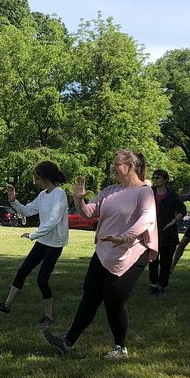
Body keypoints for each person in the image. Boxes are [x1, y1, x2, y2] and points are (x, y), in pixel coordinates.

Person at [44, 149, 158, 361]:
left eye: (117, 164)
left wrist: (124, 237)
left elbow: (147, 219)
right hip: (105, 250)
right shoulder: (110, 191)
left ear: (130, 166)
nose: (113, 167)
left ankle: (120, 348)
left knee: (113, 300)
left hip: (132, 252)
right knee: (90, 295)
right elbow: (88, 213)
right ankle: (67, 342)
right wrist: (79, 198)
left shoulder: (144, 192)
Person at [0, 160, 70, 326]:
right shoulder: (43, 194)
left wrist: (33, 234)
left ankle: (49, 316)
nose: (36, 182)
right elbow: (27, 210)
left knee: (42, 279)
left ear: (45, 177)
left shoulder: (59, 194)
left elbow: (54, 220)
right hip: (43, 241)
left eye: (37, 178)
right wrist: (13, 201)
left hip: (54, 244)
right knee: (23, 270)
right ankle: (6, 306)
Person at [148, 169, 186, 296]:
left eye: (158, 177)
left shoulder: (172, 196)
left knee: (166, 261)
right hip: (152, 232)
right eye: (154, 177)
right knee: (152, 259)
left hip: (168, 234)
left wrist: (173, 222)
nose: (155, 179)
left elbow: (182, 210)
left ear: (165, 180)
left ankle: (162, 285)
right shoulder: (149, 194)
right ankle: (153, 284)